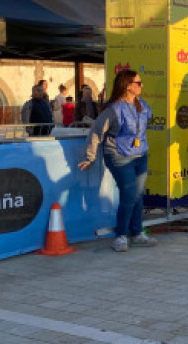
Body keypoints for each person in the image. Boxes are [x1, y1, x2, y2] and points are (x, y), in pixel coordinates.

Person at [78, 70, 158, 252]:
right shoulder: (113, 109)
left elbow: (146, 123)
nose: (141, 85)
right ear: (128, 85)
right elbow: (97, 132)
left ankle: (137, 233)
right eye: (138, 82)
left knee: (138, 195)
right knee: (129, 194)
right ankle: (121, 236)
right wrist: (89, 156)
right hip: (118, 155)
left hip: (140, 154)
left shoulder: (142, 105)